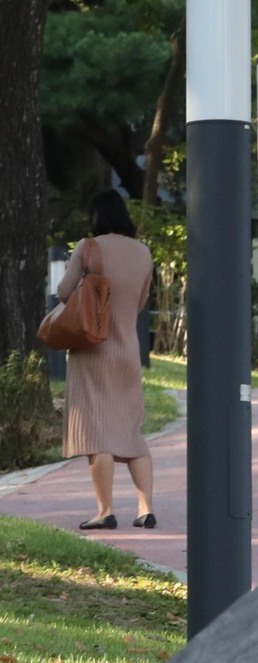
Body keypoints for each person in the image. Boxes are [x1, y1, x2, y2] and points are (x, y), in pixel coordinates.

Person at [60, 189, 156, 530]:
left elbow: (64, 292)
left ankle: (105, 510)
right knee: (131, 432)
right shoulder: (143, 253)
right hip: (128, 351)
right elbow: (141, 302)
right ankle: (145, 509)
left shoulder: (89, 248)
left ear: (96, 216)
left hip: (92, 350)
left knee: (96, 432)